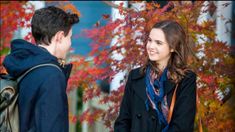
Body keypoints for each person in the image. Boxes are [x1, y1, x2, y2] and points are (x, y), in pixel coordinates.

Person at [3, 6, 79, 132]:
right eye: (69, 37)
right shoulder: (52, 75)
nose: (70, 43)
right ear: (60, 37)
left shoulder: (26, 64)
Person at [114, 20, 197, 132]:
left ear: (172, 47)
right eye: (150, 40)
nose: (151, 46)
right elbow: (123, 122)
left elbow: (182, 126)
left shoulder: (185, 79)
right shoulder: (135, 76)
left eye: (158, 43)